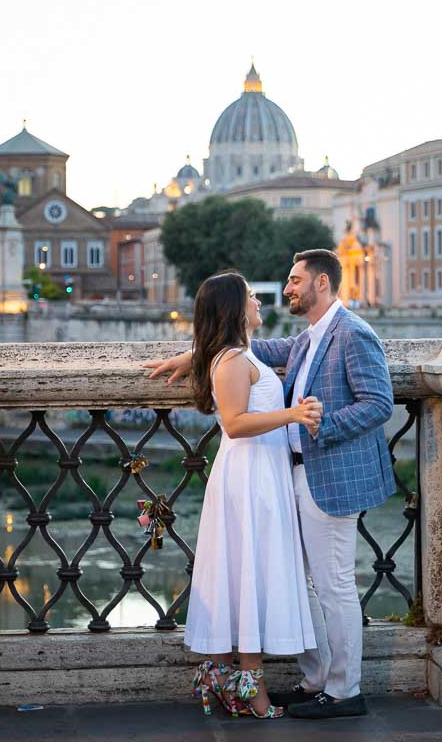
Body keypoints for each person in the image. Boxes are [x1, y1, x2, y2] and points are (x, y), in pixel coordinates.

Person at [146, 250, 395, 720]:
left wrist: (318, 427)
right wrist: (193, 353)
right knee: (303, 583)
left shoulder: (354, 334)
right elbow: (244, 352)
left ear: (322, 283)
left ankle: (345, 691)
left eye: (295, 281)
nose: (287, 289)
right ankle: (318, 679)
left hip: (332, 474)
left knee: (335, 584)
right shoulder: (307, 338)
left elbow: (379, 403)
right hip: (291, 476)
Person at [181, 271, 320, 719]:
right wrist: (293, 414)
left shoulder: (239, 355)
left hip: (259, 473)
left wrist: (189, 357)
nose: (260, 302)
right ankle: (250, 687)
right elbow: (237, 423)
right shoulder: (234, 360)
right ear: (233, 309)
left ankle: (225, 677)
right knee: (250, 570)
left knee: (246, 571)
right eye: (251, 297)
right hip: (249, 476)